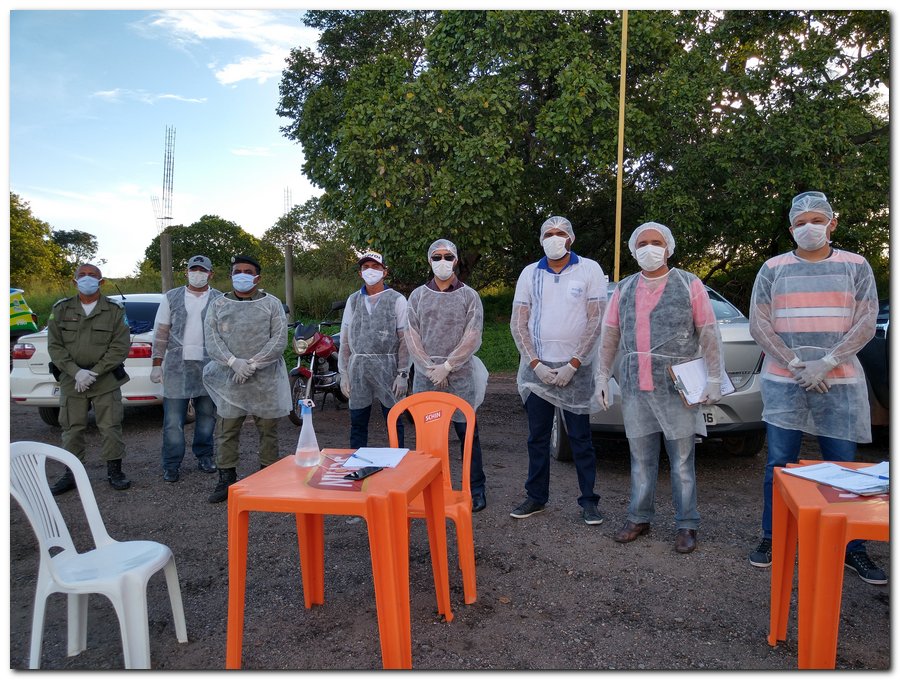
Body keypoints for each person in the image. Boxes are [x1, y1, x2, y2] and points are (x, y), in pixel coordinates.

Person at [747, 191, 886, 584]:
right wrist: (794, 363)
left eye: (816, 220)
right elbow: (760, 322)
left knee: (844, 468)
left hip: (838, 382)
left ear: (832, 223)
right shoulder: (773, 269)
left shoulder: (855, 267)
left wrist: (828, 362)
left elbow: (865, 319)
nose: (809, 228)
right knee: (778, 465)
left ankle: (851, 547)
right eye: (801, 222)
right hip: (784, 381)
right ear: (791, 229)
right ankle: (773, 537)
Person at [593, 222, 723, 554]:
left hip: (676, 387)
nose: (649, 248)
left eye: (656, 242)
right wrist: (602, 376)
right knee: (640, 459)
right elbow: (610, 336)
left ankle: (687, 524)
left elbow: (708, 332)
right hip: (637, 387)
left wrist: (714, 378)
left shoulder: (687, 284)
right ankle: (639, 517)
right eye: (643, 243)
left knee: (681, 461)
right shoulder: (624, 288)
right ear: (633, 250)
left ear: (669, 247)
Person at [509, 216, 607, 525]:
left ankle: (589, 501)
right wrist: (535, 363)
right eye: (548, 233)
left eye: (560, 233)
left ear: (571, 238)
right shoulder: (529, 273)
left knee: (580, 438)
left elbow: (595, 320)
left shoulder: (588, 269)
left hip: (575, 369)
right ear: (541, 240)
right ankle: (536, 496)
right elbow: (519, 321)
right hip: (538, 370)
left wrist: (574, 362)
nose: (554, 237)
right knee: (537, 437)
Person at [406, 239, 489, 512]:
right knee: (428, 436)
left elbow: (473, 334)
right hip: (426, 375)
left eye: (448, 256)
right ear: (429, 261)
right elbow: (412, 333)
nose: (443, 261)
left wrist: (449, 365)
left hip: (461, 375)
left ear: (456, 260)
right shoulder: (417, 296)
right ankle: (428, 488)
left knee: (467, 434)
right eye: (437, 256)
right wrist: (429, 367)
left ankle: (475, 488)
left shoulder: (469, 296)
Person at [202, 254, 292, 504]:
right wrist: (233, 362)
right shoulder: (218, 305)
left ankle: (268, 478)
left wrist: (253, 363)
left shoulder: (272, 304)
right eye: (236, 271)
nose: (241, 275)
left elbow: (279, 339)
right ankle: (226, 479)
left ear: (257, 277)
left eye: (247, 271)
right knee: (227, 430)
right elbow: (211, 339)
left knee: (268, 431)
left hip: (266, 379)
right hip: (230, 380)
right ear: (230, 276)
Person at [46, 263, 132, 494]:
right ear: (74, 281)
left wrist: (94, 371)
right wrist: (76, 372)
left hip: (105, 380)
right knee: (72, 428)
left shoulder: (114, 310)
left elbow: (120, 346)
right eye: (81, 275)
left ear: (101, 281)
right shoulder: (61, 309)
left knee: (111, 426)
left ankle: (115, 471)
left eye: (92, 275)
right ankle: (71, 474)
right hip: (72, 380)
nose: (87, 279)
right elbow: (54, 346)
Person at [150, 255, 223, 482]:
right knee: (173, 420)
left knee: (207, 416)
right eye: (194, 269)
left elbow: (226, 334)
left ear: (211, 274)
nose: (197, 273)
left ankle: (204, 455)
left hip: (209, 365)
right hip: (176, 366)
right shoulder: (171, 298)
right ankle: (171, 463)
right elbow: (161, 332)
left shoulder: (220, 299)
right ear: (186, 272)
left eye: (203, 270)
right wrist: (156, 363)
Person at [338, 251, 409, 448]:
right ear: (360, 273)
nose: (370, 271)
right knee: (358, 423)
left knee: (394, 420)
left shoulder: (397, 300)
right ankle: (357, 467)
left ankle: (398, 466)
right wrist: (344, 373)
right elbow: (345, 339)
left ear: (385, 272)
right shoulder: (353, 301)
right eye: (365, 267)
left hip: (389, 369)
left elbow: (405, 340)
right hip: (358, 370)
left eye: (376, 267)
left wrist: (402, 373)